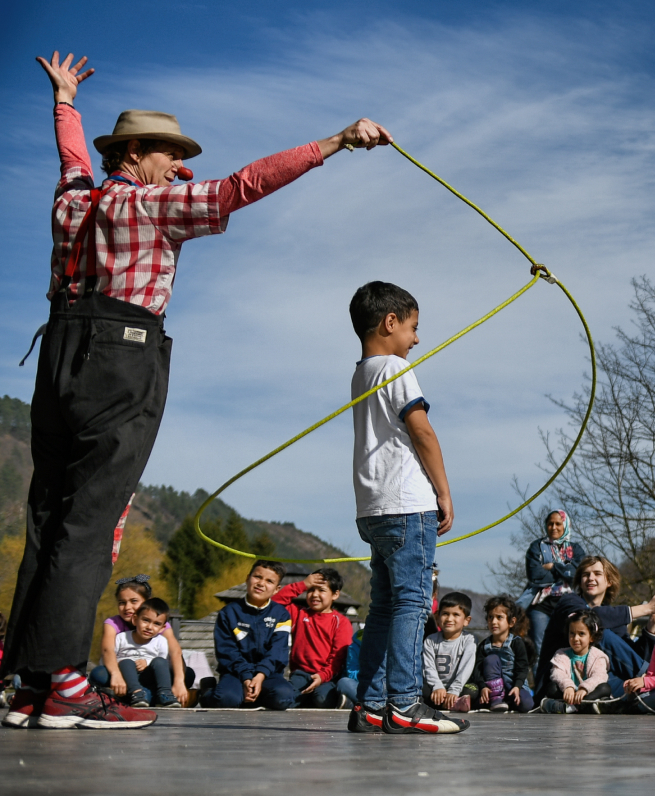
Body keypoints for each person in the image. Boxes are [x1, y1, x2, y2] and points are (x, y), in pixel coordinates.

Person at [5, 51, 392, 732]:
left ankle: (32, 680)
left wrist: (66, 100)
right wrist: (335, 140)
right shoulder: (157, 205)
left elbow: (72, 158)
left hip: (60, 349)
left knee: (48, 512)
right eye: (168, 151)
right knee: (91, 518)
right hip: (121, 357)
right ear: (134, 151)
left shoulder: (74, 201)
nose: (177, 162)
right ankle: (66, 680)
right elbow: (243, 185)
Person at [342, 281, 465, 736]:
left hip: (373, 508)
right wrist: (444, 492)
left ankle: (370, 705)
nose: (416, 339)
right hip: (407, 504)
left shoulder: (361, 371)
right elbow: (422, 431)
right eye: (414, 327)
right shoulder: (396, 367)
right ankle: (406, 704)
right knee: (413, 604)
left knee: (384, 607)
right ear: (389, 323)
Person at [532, 556, 655, 701]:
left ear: (609, 581)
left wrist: (652, 623)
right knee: (598, 632)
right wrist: (646, 608)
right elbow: (590, 619)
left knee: (626, 682)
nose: (591, 578)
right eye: (586, 574)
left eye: (597, 574)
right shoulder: (568, 602)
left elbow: (630, 658)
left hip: (594, 684)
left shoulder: (613, 617)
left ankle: (652, 690)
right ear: (580, 581)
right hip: (559, 686)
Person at [207, 560, 296, 711]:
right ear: (248, 578)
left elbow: (277, 651)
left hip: (268, 674)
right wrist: (246, 677)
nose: (261, 583)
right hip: (235, 673)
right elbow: (227, 651)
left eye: (269, 581)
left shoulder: (281, 615)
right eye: (257, 577)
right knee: (226, 699)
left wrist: (260, 676)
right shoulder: (228, 612)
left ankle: (254, 694)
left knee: (284, 697)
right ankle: (208, 690)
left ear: (276, 589)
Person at [89, 576, 189, 709]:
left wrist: (179, 681)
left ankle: (146, 695)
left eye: (134, 601)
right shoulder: (113, 623)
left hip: (150, 673)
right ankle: (142, 694)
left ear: (147, 602)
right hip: (124, 673)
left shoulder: (156, 623)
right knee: (98, 674)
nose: (127, 607)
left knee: (186, 673)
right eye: (121, 602)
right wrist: (116, 675)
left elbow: (175, 652)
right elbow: (108, 651)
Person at [272, 569, 355, 710]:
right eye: (311, 590)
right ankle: (304, 699)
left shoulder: (341, 622)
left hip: (328, 677)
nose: (314, 595)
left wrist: (322, 676)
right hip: (300, 675)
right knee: (282, 699)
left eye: (321, 590)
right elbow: (274, 603)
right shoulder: (298, 614)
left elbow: (338, 657)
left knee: (322, 700)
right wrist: (302, 585)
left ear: (335, 594)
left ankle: (347, 701)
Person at [522, 510, 585, 656]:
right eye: (550, 524)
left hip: (568, 605)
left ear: (565, 525)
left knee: (569, 645)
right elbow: (535, 575)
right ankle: (541, 679)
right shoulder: (536, 547)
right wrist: (565, 570)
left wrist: (553, 566)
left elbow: (577, 575)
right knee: (540, 649)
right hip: (541, 606)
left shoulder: (576, 549)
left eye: (558, 523)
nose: (554, 527)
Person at [106, 599, 178, 707]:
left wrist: (147, 663)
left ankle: (165, 693)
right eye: (145, 620)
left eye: (156, 624)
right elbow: (111, 658)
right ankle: (136, 693)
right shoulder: (121, 637)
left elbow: (162, 663)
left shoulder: (161, 641)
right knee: (122, 663)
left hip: (147, 675)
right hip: (126, 675)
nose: (149, 627)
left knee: (160, 662)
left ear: (162, 628)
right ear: (135, 619)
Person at [539, 612, 609, 714]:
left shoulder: (598, 656)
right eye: (572, 633)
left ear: (591, 637)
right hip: (568, 694)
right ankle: (584, 707)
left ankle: (569, 708)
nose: (576, 638)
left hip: (587, 694)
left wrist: (584, 689)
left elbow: (599, 676)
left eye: (581, 634)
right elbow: (557, 674)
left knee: (605, 688)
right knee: (551, 687)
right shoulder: (561, 654)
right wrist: (568, 686)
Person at [476, 597, 536, 712]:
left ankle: (508, 701)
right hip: (493, 689)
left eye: (499, 617)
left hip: (513, 684)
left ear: (511, 622)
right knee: (491, 659)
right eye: (490, 617)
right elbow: (477, 669)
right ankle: (497, 699)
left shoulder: (517, 643)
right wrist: (483, 687)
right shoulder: (484, 645)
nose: (493, 622)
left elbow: (522, 667)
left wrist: (517, 686)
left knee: (527, 704)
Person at [423, 592, 477, 712]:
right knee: (420, 690)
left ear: (466, 620)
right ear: (437, 616)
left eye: (456, 614)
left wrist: (454, 690)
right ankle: (451, 704)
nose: (449, 619)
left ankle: (447, 702)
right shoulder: (430, 640)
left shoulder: (469, 640)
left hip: (459, 687)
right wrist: (437, 686)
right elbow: (428, 667)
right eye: (445, 614)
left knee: (473, 690)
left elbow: (466, 667)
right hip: (435, 687)